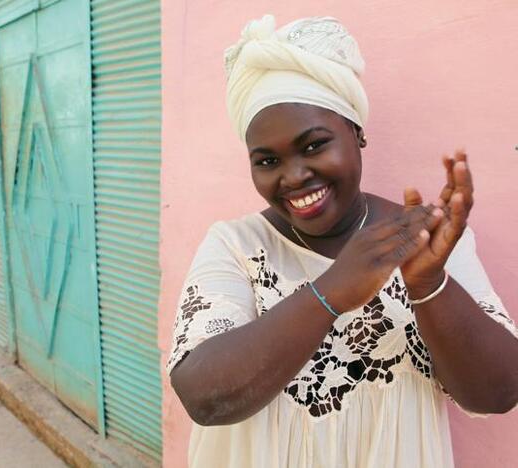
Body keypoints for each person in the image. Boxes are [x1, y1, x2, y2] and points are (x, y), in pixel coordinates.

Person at [166, 15, 518, 468]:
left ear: (356, 133)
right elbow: (204, 398)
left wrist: (428, 282)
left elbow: (498, 392)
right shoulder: (236, 245)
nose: (293, 176)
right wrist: (332, 291)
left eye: (313, 145)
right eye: (268, 160)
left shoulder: (428, 242)